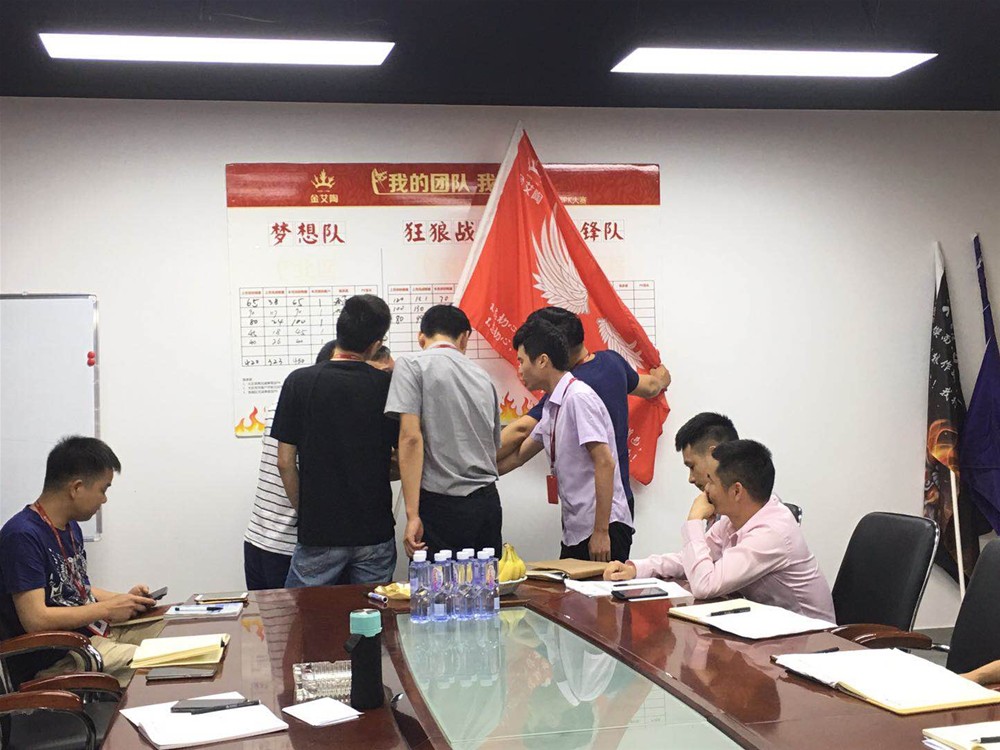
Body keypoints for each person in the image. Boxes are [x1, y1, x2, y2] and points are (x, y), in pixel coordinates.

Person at [605, 439, 835, 622]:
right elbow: (693, 560)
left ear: (736, 491)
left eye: (711, 482)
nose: (705, 489)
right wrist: (637, 569)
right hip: (768, 631)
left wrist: (694, 520)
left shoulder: (773, 533)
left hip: (811, 643)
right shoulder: (735, 519)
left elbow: (705, 585)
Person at [0, 436, 160, 685]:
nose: (104, 499)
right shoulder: (22, 536)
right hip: (58, 656)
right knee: (165, 660)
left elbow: (75, 590)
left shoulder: (70, 527)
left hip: (91, 635)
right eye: (103, 490)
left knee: (171, 630)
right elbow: (36, 619)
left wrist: (125, 600)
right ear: (76, 488)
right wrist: (107, 609)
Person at [243, 341, 394, 591]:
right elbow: (288, 464)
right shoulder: (323, 414)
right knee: (309, 615)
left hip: (260, 537)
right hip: (296, 543)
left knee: (278, 616)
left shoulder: (284, 405)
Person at [272, 295, 400, 587]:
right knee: (373, 610)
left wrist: (307, 512)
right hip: (374, 530)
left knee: (306, 612)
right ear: (376, 344)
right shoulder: (386, 386)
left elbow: (284, 462)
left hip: (320, 531)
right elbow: (403, 454)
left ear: (339, 331)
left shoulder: (299, 382)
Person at [497, 306, 670, 518]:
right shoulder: (612, 361)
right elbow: (650, 386)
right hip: (621, 501)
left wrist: (474, 463)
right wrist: (662, 380)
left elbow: (522, 430)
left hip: (596, 510)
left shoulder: (570, 388)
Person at [500, 318, 634, 562]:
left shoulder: (577, 398)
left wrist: (601, 532)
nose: (519, 369)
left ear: (542, 361)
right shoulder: (553, 404)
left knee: (598, 589)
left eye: (521, 361)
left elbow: (605, 462)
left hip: (603, 528)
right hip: (577, 529)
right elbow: (519, 456)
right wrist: (475, 475)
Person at [385, 304, 503, 557]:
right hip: (486, 503)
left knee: (439, 581)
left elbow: (410, 438)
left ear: (421, 337)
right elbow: (493, 446)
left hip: (441, 504)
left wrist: (412, 515)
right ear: (464, 338)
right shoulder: (483, 376)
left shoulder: (412, 365)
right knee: (484, 580)